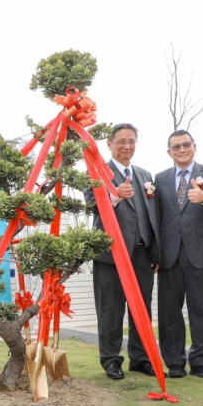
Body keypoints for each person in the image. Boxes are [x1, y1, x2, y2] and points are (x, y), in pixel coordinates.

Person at [84, 123, 161, 379]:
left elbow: (152, 216)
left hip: (142, 253)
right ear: (109, 144)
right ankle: (110, 360)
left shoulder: (145, 174)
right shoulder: (97, 171)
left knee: (141, 308)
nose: (127, 146)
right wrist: (114, 196)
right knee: (110, 309)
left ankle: (139, 358)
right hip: (111, 253)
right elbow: (91, 204)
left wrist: (155, 252)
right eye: (121, 141)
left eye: (131, 141)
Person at [154, 130, 203, 379]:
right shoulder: (159, 178)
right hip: (169, 254)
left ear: (194, 146)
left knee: (202, 309)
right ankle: (174, 362)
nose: (181, 149)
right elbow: (156, 217)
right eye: (176, 147)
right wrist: (155, 252)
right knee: (169, 311)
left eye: (186, 145)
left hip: (201, 252)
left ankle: (201, 362)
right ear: (169, 152)